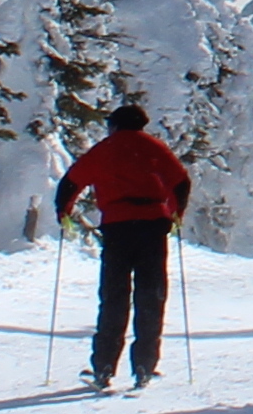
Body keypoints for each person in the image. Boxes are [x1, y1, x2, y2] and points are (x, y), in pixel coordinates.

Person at [54, 98, 194, 394]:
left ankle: (104, 368)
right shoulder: (155, 147)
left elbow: (70, 182)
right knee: (151, 297)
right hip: (153, 226)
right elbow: (181, 182)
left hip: (117, 227)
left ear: (114, 125)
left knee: (114, 298)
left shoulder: (105, 148)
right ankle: (144, 367)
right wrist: (175, 213)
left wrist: (63, 212)